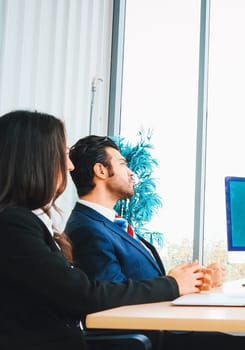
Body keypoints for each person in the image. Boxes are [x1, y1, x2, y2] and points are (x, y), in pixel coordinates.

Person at [0, 110, 204, 350]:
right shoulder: (14, 225)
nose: (70, 165)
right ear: (36, 159)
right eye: (64, 155)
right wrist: (172, 284)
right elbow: (84, 294)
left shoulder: (29, 223)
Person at [65, 135, 245, 350]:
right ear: (101, 171)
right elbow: (111, 297)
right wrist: (174, 284)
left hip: (163, 327)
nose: (131, 172)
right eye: (123, 164)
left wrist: (194, 281)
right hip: (150, 337)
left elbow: (136, 282)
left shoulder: (110, 223)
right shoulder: (86, 228)